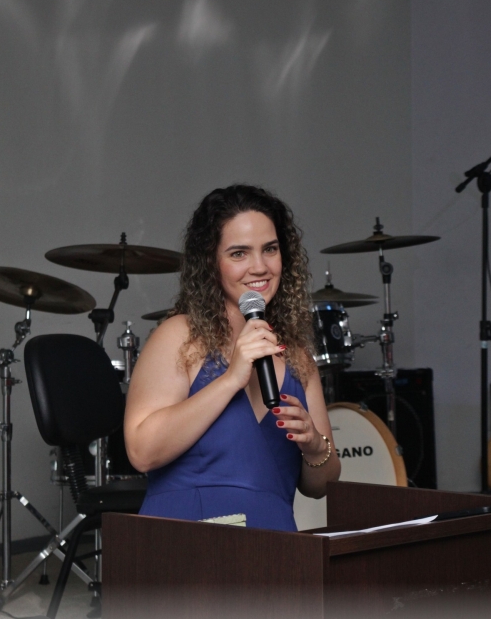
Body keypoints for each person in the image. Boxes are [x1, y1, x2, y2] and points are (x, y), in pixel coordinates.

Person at [124, 184, 340, 531]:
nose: (260, 267)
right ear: (211, 263)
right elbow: (142, 452)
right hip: (187, 544)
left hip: (275, 546)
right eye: (239, 253)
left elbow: (320, 488)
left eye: (270, 249)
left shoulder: (298, 358)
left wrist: (315, 447)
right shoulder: (180, 336)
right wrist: (230, 380)